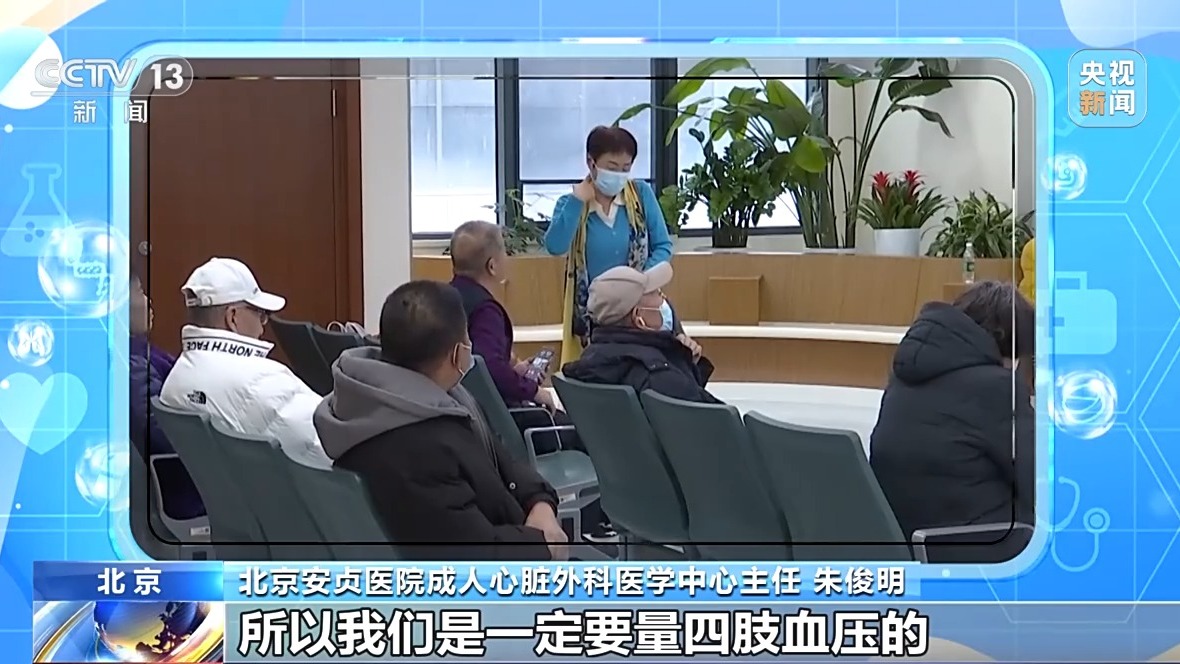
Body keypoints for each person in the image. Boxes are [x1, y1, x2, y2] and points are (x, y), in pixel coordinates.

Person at [314, 280, 569, 561]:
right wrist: (541, 543)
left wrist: (540, 503)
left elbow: (501, 458)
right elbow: (474, 554)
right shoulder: (419, 449)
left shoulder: (443, 398)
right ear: (458, 353)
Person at [448, 220, 616, 542]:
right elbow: (489, 370)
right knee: (592, 432)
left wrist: (513, 370)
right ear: (493, 265)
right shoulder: (486, 310)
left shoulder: (448, 298)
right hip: (511, 425)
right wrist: (533, 390)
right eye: (505, 253)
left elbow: (483, 366)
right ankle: (597, 523)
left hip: (476, 419)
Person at [869, 280, 1035, 542]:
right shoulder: (999, 387)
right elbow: (1038, 481)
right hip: (978, 543)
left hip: (900, 537)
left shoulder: (903, 376)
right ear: (1006, 342)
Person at [159, 257, 333, 470]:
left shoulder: (177, 379)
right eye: (261, 314)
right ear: (233, 317)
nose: (263, 326)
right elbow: (332, 446)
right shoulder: (263, 381)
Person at [544, 125, 687, 365]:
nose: (619, 175)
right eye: (612, 168)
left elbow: (663, 246)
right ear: (591, 163)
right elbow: (555, 246)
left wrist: (637, 283)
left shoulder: (641, 195)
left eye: (625, 168)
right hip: (595, 314)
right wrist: (577, 202)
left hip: (639, 308)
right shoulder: (572, 204)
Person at [561, 263, 719, 404]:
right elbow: (711, 420)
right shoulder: (658, 376)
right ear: (638, 317)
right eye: (656, 293)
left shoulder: (592, 359)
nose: (664, 299)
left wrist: (685, 363)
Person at [128, 270, 205, 520]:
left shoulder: (137, 352)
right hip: (186, 490)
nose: (148, 300)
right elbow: (160, 434)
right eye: (139, 292)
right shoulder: (133, 364)